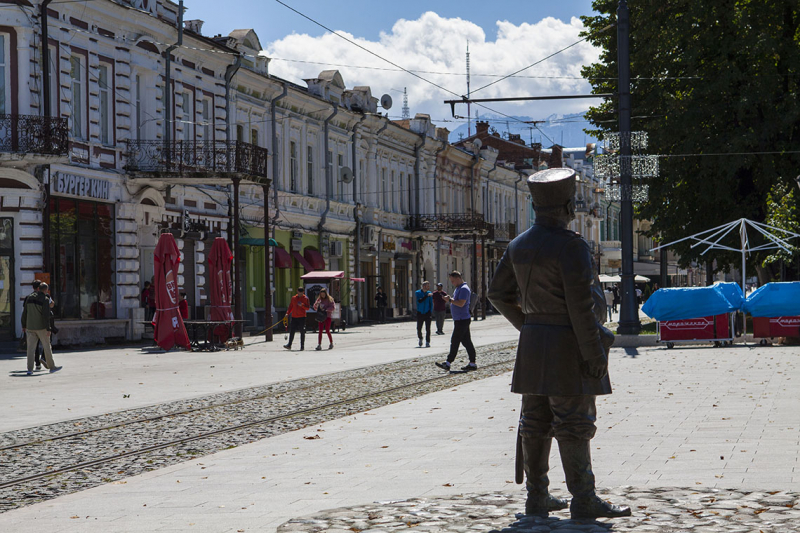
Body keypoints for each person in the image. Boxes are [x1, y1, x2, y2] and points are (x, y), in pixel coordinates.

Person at [488, 168, 629, 520]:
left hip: (534, 347)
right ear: (567, 206)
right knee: (573, 423)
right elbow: (581, 309)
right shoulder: (571, 245)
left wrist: (530, 326)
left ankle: (537, 497)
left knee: (535, 422)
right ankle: (584, 498)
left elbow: (497, 294)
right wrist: (594, 354)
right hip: (568, 346)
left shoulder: (518, 245)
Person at [434, 271, 477, 372]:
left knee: (455, 340)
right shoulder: (458, 288)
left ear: (458, 278)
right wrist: (450, 300)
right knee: (466, 342)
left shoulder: (464, 289)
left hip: (462, 319)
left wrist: (449, 300)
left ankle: (448, 363)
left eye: (453, 281)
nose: (452, 283)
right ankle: (472, 363)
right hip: (460, 319)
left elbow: (461, 303)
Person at [21, 282, 61, 375]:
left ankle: (30, 369)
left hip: (30, 327)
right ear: (46, 290)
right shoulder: (45, 299)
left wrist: (24, 325)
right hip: (41, 327)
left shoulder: (29, 297)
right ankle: (52, 367)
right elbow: (46, 315)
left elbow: (25, 313)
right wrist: (48, 328)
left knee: (30, 349)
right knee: (47, 347)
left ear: (38, 288)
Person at [284, 286, 310, 351]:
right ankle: (289, 345)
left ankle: (302, 346)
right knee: (292, 331)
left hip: (302, 317)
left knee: (302, 331)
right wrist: (287, 313)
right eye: (299, 292)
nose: (300, 294)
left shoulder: (305, 298)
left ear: (303, 292)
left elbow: (308, 308)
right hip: (294, 316)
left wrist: (303, 305)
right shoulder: (293, 298)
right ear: (297, 291)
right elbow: (291, 306)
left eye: (301, 293)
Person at [415, 281, 433, 348]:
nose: (428, 287)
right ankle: (420, 338)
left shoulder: (429, 293)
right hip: (420, 312)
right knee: (419, 328)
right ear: (424, 286)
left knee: (428, 328)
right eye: (427, 286)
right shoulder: (418, 293)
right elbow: (419, 301)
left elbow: (431, 303)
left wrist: (430, 311)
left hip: (427, 313)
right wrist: (426, 296)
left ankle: (427, 341)